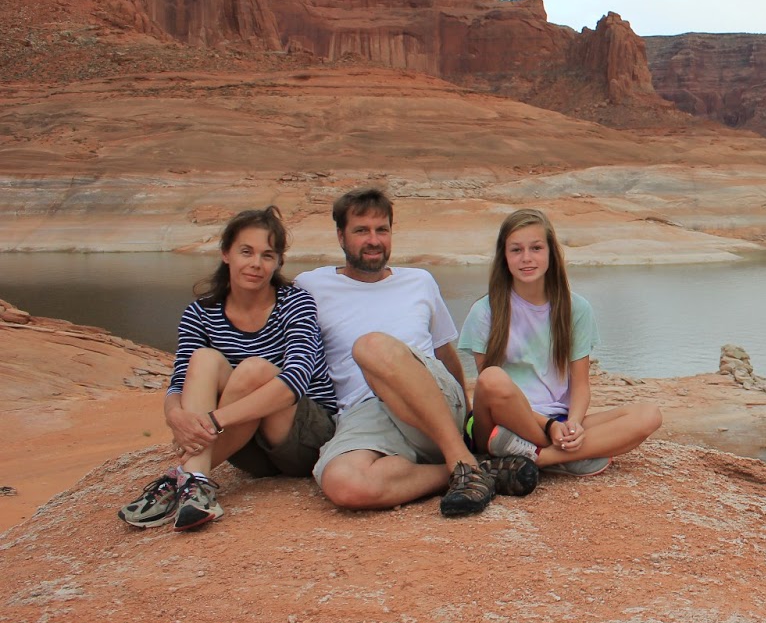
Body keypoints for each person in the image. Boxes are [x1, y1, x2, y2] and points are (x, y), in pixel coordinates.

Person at [297, 188, 538, 518]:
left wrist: (466, 418)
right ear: (340, 235)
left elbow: (444, 352)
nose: (374, 240)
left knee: (371, 346)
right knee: (344, 483)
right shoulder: (311, 285)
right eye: (361, 230)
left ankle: (460, 459)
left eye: (382, 230)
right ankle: (477, 469)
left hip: (434, 399)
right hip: (365, 412)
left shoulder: (419, 281)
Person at [118, 206, 337, 532]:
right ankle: (194, 482)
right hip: (248, 451)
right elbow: (180, 379)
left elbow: (296, 379)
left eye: (267, 255)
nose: (256, 264)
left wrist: (213, 420)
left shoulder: (295, 303)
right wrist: (174, 415)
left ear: (278, 262)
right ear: (226, 254)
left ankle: (183, 478)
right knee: (203, 360)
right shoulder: (200, 313)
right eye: (246, 252)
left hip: (302, 440)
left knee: (251, 371)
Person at [459, 208, 660, 474]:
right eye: (516, 250)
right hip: (501, 424)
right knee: (492, 378)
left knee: (649, 415)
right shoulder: (485, 311)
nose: (526, 258)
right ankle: (571, 454)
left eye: (536, 248)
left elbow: (580, 386)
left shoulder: (577, 309)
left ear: (551, 253)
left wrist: (573, 425)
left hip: (559, 420)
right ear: (504, 257)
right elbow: (488, 391)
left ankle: (539, 458)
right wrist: (550, 428)